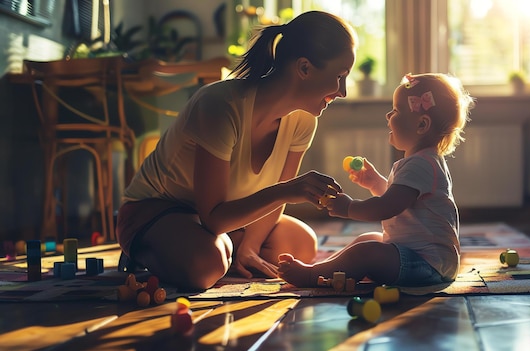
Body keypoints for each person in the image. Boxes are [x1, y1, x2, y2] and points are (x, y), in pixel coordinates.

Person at [116, 11, 358, 290]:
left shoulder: (304, 120)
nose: (343, 91)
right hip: (157, 211)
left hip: (217, 221)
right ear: (303, 68)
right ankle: (146, 251)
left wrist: (250, 248)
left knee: (301, 245)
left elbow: (273, 206)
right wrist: (287, 190)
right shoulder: (221, 106)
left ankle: (229, 252)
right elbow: (215, 216)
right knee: (207, 264)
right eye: (339, 76)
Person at [278, 73, 475, 287]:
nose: (388, 115)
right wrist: (375, 183)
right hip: (416, 257)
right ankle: (328, 268)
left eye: (397, 111)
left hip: (427, 265)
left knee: (367, 252)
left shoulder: (420, 165)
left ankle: (312, 276)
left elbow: (387, 207)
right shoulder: (422, 162)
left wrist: (349, 207)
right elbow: (400, 201)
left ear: (422, 125)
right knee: (368, 239)